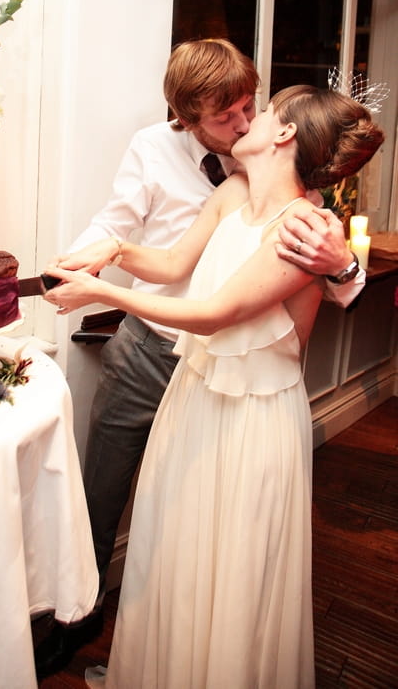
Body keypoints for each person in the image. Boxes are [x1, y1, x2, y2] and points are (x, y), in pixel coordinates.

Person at [33, 40, 364, 679]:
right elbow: (140, 238)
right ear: (188, 115)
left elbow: (235, 303)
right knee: (136, 509)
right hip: (169, 361)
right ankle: (82, 617)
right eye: (227, 115)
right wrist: (100, 255)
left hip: (246, 393)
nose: (244, 122)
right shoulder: (198, 171)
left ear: (282, 129)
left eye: (253, 109)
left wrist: (344, 264)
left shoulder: (307, 217)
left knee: (233, 549)